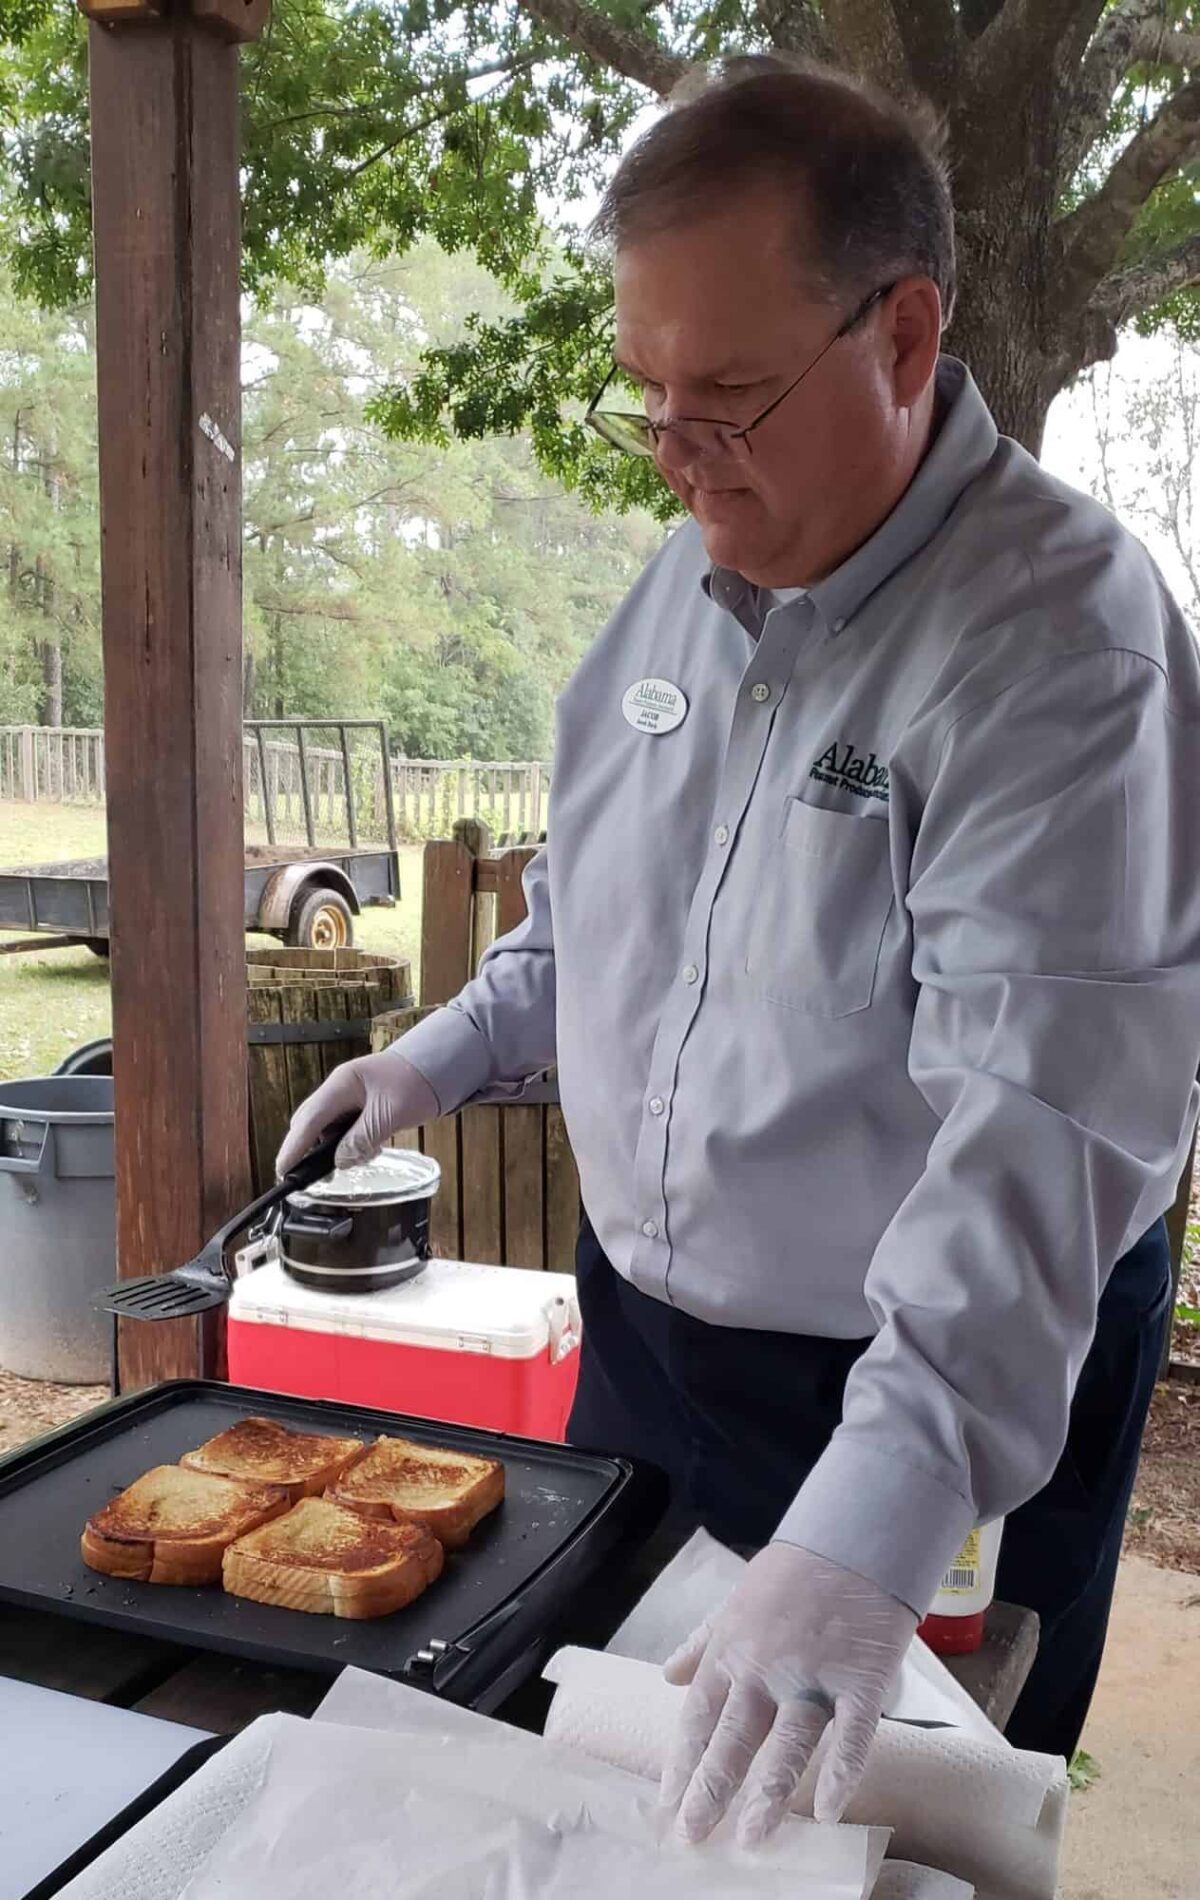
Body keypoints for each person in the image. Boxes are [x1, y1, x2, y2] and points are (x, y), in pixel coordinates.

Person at [277, 57, 1200, 1849]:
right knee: (613, 1824)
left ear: (906, 332)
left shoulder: (1059, 648)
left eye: (731, 398)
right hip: (648, 1351)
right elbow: (596, 930)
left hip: (927, 1390)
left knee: (875, 1845)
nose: (682, 458)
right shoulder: (674, 596)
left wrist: (874, 1516)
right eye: (649, 399)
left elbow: (1048, 1122)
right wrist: (445, 1053)